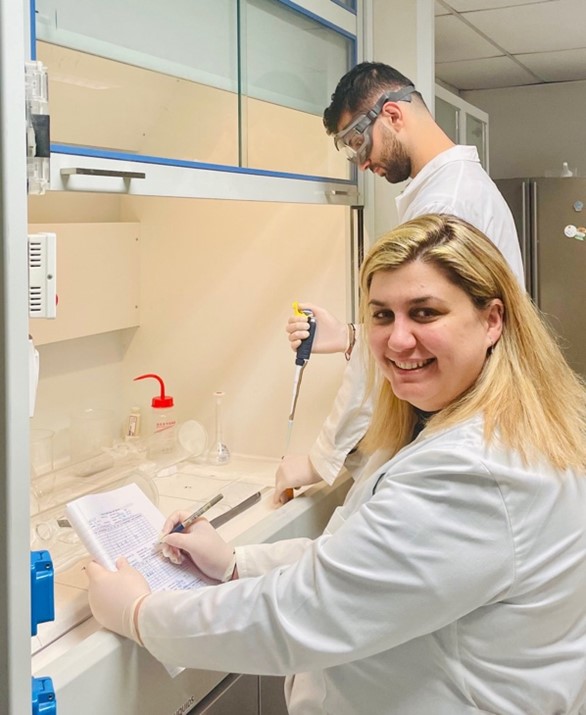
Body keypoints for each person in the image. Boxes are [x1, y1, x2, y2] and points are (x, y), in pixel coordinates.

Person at [87, 214, 586, 715]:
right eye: (382, 316)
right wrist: (238, 564)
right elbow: (360, 562)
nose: (397, 341)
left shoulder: (474, 471)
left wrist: (140, 613)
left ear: (492, 319)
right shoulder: (488, 426)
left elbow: (303, 615)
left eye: (426, 312)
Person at [274, 61, 525, 504]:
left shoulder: (446, 205)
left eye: (357, 142)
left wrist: (318, 458)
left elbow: (394, 363)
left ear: (392, 115)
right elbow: (436, 322)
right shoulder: (458, 188)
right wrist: (353, 335)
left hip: (459, 427)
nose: (361, 161)